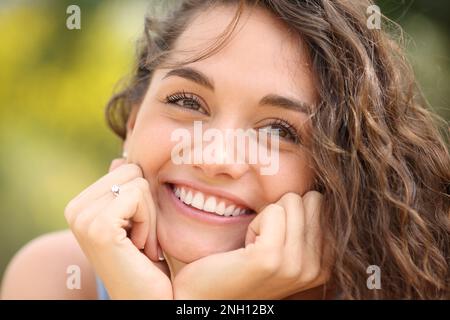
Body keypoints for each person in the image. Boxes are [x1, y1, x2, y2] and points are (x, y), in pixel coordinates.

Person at [1, 0, 449, 299]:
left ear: (341, 169)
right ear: (134, 121)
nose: (214, 158)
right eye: (187, 102)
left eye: (278, 130)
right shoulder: (53, 278)